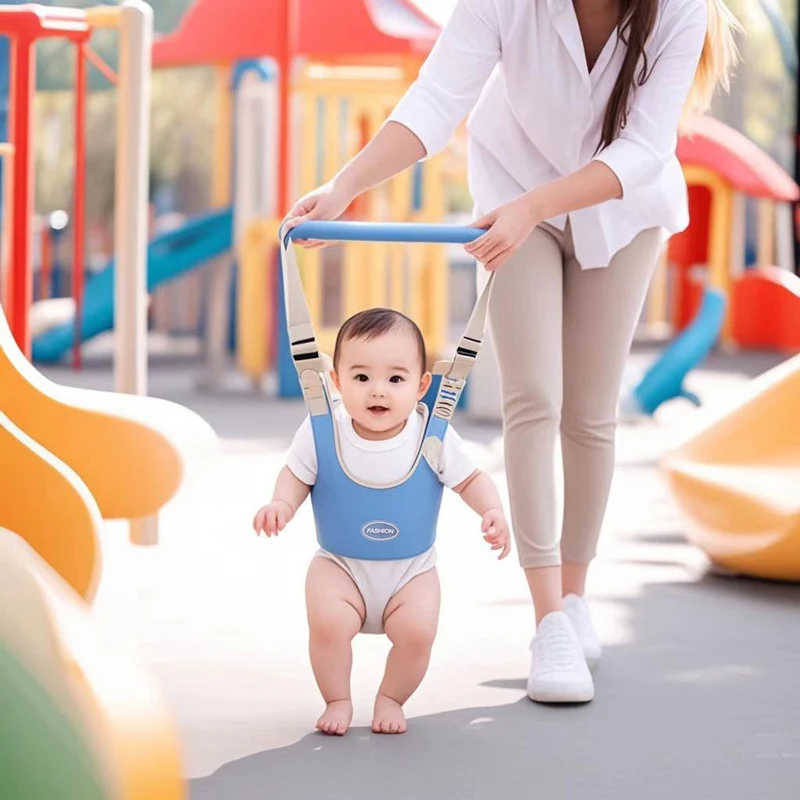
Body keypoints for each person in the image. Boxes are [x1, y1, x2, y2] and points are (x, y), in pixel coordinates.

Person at [283, 0, 739, 703]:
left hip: (621, 211)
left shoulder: (679, 11)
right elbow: (437, 100)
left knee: (590, 412)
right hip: (511, 205)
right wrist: (344, 187)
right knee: (534, 400)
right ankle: (549, 616)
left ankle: (578, 597)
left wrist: (537, 205)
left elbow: (645, 150)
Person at [253, 308, 511, 735]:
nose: (378, 392)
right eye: (361, 378)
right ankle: (337, 698)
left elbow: (472, 479)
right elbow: (297, 475)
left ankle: (392, 696)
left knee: (418, 632)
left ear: (422, 385)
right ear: (335, 381)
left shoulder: (433, 434)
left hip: (411, 570)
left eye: (395, 379)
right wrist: (281, 504)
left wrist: (492, 511)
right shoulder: (323, 430)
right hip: (340, 564)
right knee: (328, 624)